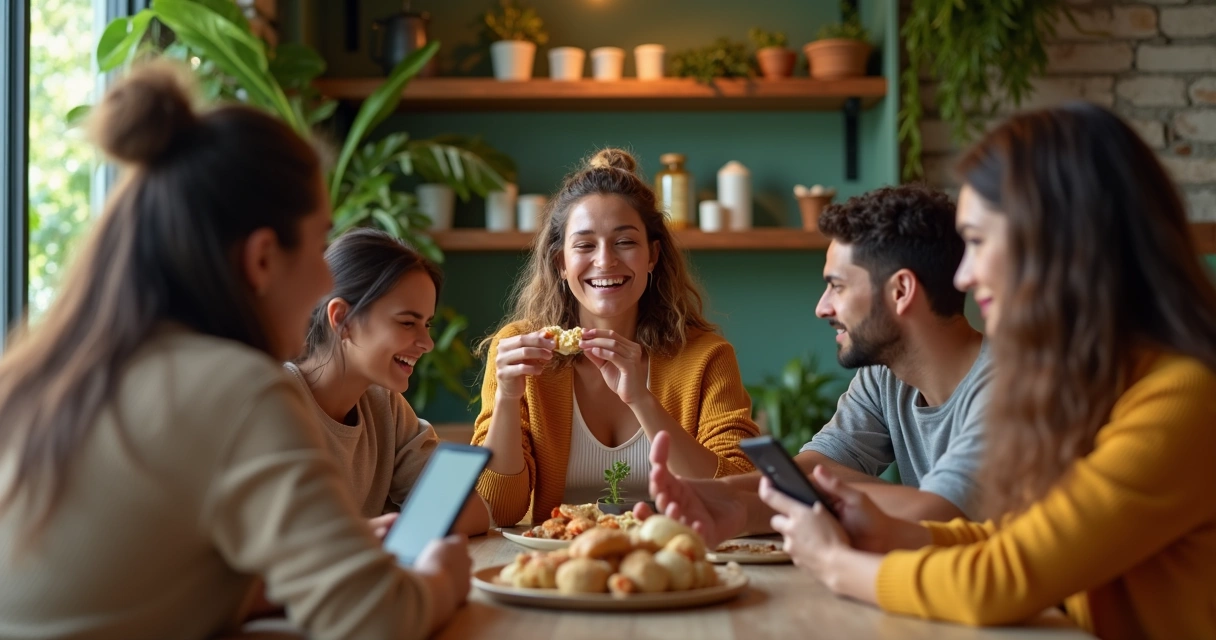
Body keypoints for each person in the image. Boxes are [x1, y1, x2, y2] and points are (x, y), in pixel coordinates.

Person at [0, 64, 469, 638]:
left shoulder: (46, 371)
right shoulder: (237, 388)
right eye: (321, 244)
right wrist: (443, 576)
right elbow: (377, 620)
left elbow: (127, 586)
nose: (328, 278)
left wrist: (284, 582)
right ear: (263, 259)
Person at [755, 103, 1216, 638]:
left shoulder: (1183, 399)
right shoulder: (1097, 385)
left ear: (1055, 242)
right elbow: (1017, 539)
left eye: (976, 242)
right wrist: (889, 532)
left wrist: (838, 564)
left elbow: (1001, 578)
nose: (965, 276)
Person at [646, 184, 991, 546]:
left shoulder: (1008, 387)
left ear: (901, 292)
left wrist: (816, 488)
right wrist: (720, 496)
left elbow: (937, 513)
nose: (822, 307)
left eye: (837, 287)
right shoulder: (885, 375)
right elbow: (816, 464)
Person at [472, 148, 760, 528]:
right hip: (560, 564)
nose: (605, 261)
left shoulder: (707, 356)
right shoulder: (517, 350)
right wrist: (509, 397)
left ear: (652, 256)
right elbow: (499, 510)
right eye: (585, 245)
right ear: (560, 262)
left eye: (624, 242)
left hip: (669, 560)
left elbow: (736, 493)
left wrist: (641, 400)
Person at [291, 228, 488, 536]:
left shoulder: (385, 407)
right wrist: (375, 535)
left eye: (427, 325)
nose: (427, 343)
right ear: (342, 319)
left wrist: (385, 532)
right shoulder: (275, 402)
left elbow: (473, 513)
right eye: (407, 323)